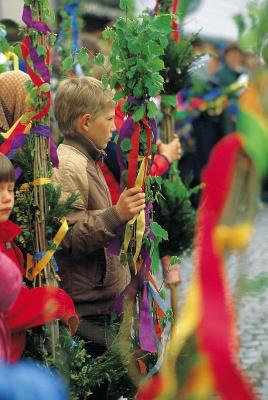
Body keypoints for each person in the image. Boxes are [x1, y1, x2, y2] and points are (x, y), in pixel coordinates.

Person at [52, 76, 146, 399]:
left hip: (102, 305)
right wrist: (115, 215)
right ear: (86, 122)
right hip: (86, 313)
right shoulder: (68, 165)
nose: (114, 125)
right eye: (109, 119)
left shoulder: (88, 159)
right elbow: (70, 235)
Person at [0, 152, 78, 362]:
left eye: (10, 189)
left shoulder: (7, 238)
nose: (7, 197)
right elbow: (8, 309)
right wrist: (55, 300)